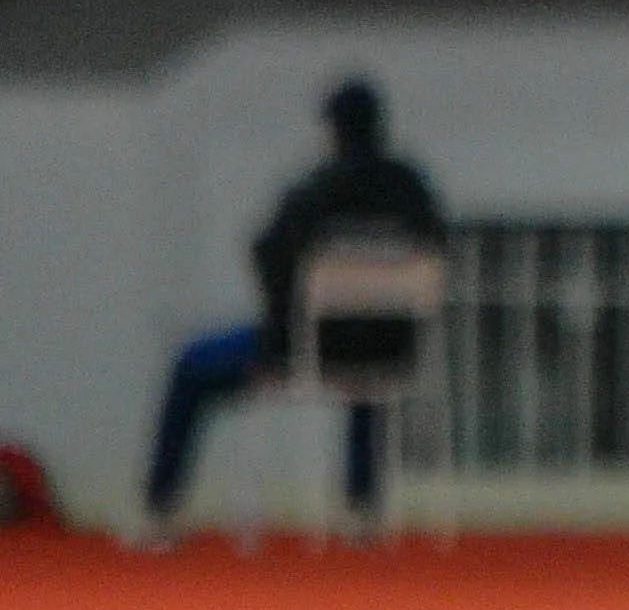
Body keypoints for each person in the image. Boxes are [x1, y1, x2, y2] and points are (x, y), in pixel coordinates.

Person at [137, 78, 446, 543]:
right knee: (362, 376)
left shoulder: (315, 191)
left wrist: (282, 337)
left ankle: (160, 511)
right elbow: (437, 253)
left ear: (332, 129)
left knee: (190, 365)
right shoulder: (411, 189)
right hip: (390, 350)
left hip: (303, 350)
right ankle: (363, 511)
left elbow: (268, 253)